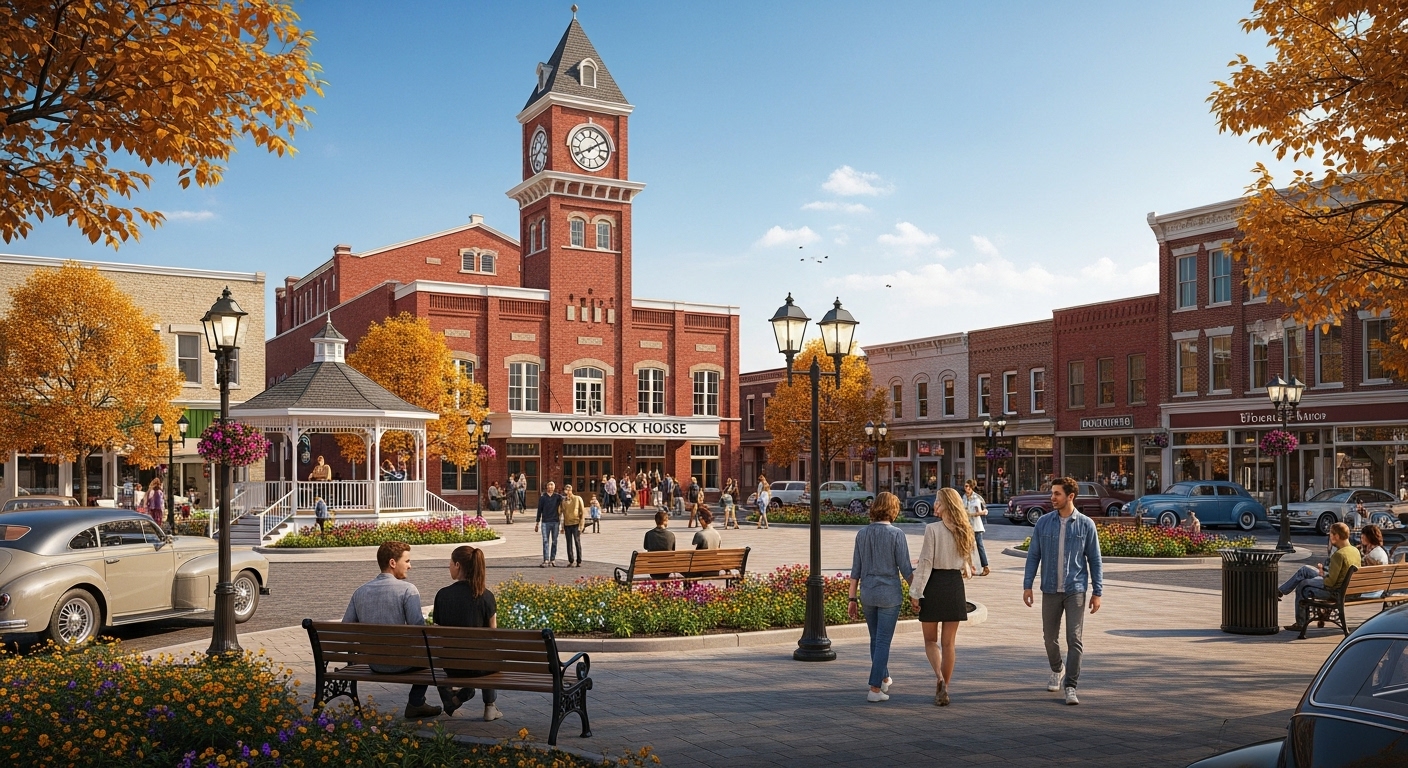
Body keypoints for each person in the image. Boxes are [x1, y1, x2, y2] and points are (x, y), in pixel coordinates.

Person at [1022, 477, 1104, 706]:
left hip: (1075, 589)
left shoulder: (1086, 525)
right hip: (1049, 588)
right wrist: (1027, 585)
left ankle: (1071, 685)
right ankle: (1057, 668)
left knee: (1074, 639)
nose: (1052, 497)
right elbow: (1033, 556)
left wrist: (1098, 592)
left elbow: (1095, 560)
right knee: (1049, 638)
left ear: (1070, 496)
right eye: (1052, 493)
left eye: (1057, 494)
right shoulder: (1043, 523)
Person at [342, 541, 441, 720]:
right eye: (407, 561)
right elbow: (419, 632)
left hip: (374, 663)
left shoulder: (360, 592)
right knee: (433, 652)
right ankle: (417, 702)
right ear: (393, 563)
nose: (410, 566)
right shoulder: (408, 590)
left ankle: (422, 703)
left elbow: (345, 629)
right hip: (401, 664)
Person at [911, 488, 976, 706]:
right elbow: (968, 563)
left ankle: (938, 677)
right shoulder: (966, 529)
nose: (934, 505)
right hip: (955, 586)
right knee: (949, 644)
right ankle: (945, 688)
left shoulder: (932, 529)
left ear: (945, 504)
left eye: (937, 501)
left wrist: (916, 593)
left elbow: (926, 562)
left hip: (934, 584)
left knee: (931, 640)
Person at [847, 492, 914, 703]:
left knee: (876, 639)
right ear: (893, 509)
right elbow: (905, 569)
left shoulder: (862, 534)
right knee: (883, 641)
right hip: (889, 595)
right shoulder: (897, 534)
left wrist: (851, 599)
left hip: (867, 593)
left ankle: (884, 677)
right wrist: (917, 593)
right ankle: (875, 689)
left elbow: (855, 570)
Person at [432, 545, 503, 722]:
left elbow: (438, 633)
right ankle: (489, 707)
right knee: (487, 651)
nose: (448, 566)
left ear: (457, 565)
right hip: (481, 668)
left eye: (450, 563)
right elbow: (493, 635)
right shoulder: (486, 596)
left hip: (451, 665)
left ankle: (463, 693)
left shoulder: (442, 595)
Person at [1281, 522, 1361, 634]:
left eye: (1331, 534)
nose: (1330, 537)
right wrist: (1323, 575)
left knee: (1303, 584)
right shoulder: (1354, 550)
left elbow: (1331, 583)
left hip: (1335, 592)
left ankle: (1300, 623)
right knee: (1305, 569)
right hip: (1348, 589)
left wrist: (1321, 577)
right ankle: (1280, 591)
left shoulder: (1339, 555)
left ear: (1337, 536)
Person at [962, 480, 990, 577]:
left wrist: (978, 513)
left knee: (979, 546)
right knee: (966, 547)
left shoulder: (977, 498)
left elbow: (985, 510)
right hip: (967, 525)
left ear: (971, 487)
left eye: (967, 486)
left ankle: (985, 566)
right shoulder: (964, 497)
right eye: (965, 486)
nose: (966, 488)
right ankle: (967, 568)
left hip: (976, 526)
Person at [534, 481, 563, 567]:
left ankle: (552, 559)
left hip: (555, 521)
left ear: (554, 487)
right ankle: (546, 559)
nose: (550, 487)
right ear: (546, 487)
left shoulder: (558, 497)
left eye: (552, 485)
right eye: (549, 485)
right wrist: (537, 522)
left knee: (554, 541)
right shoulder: (543, 498)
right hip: (545, 522)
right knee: (545, 541)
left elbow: (566, 500)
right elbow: (539, 510)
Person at [560, 483, 584, 568]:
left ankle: (579, 561)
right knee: (568, 543)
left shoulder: (577, 498)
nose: (567, 492)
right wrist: (562, 527)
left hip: (576, 523)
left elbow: (582, 512)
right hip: (567, 524)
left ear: (571, 490)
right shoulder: (563, 501)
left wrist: (581, 526)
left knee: (577, 542)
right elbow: (562, 513)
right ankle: (571, 560)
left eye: (569, 490)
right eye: (566, 490)